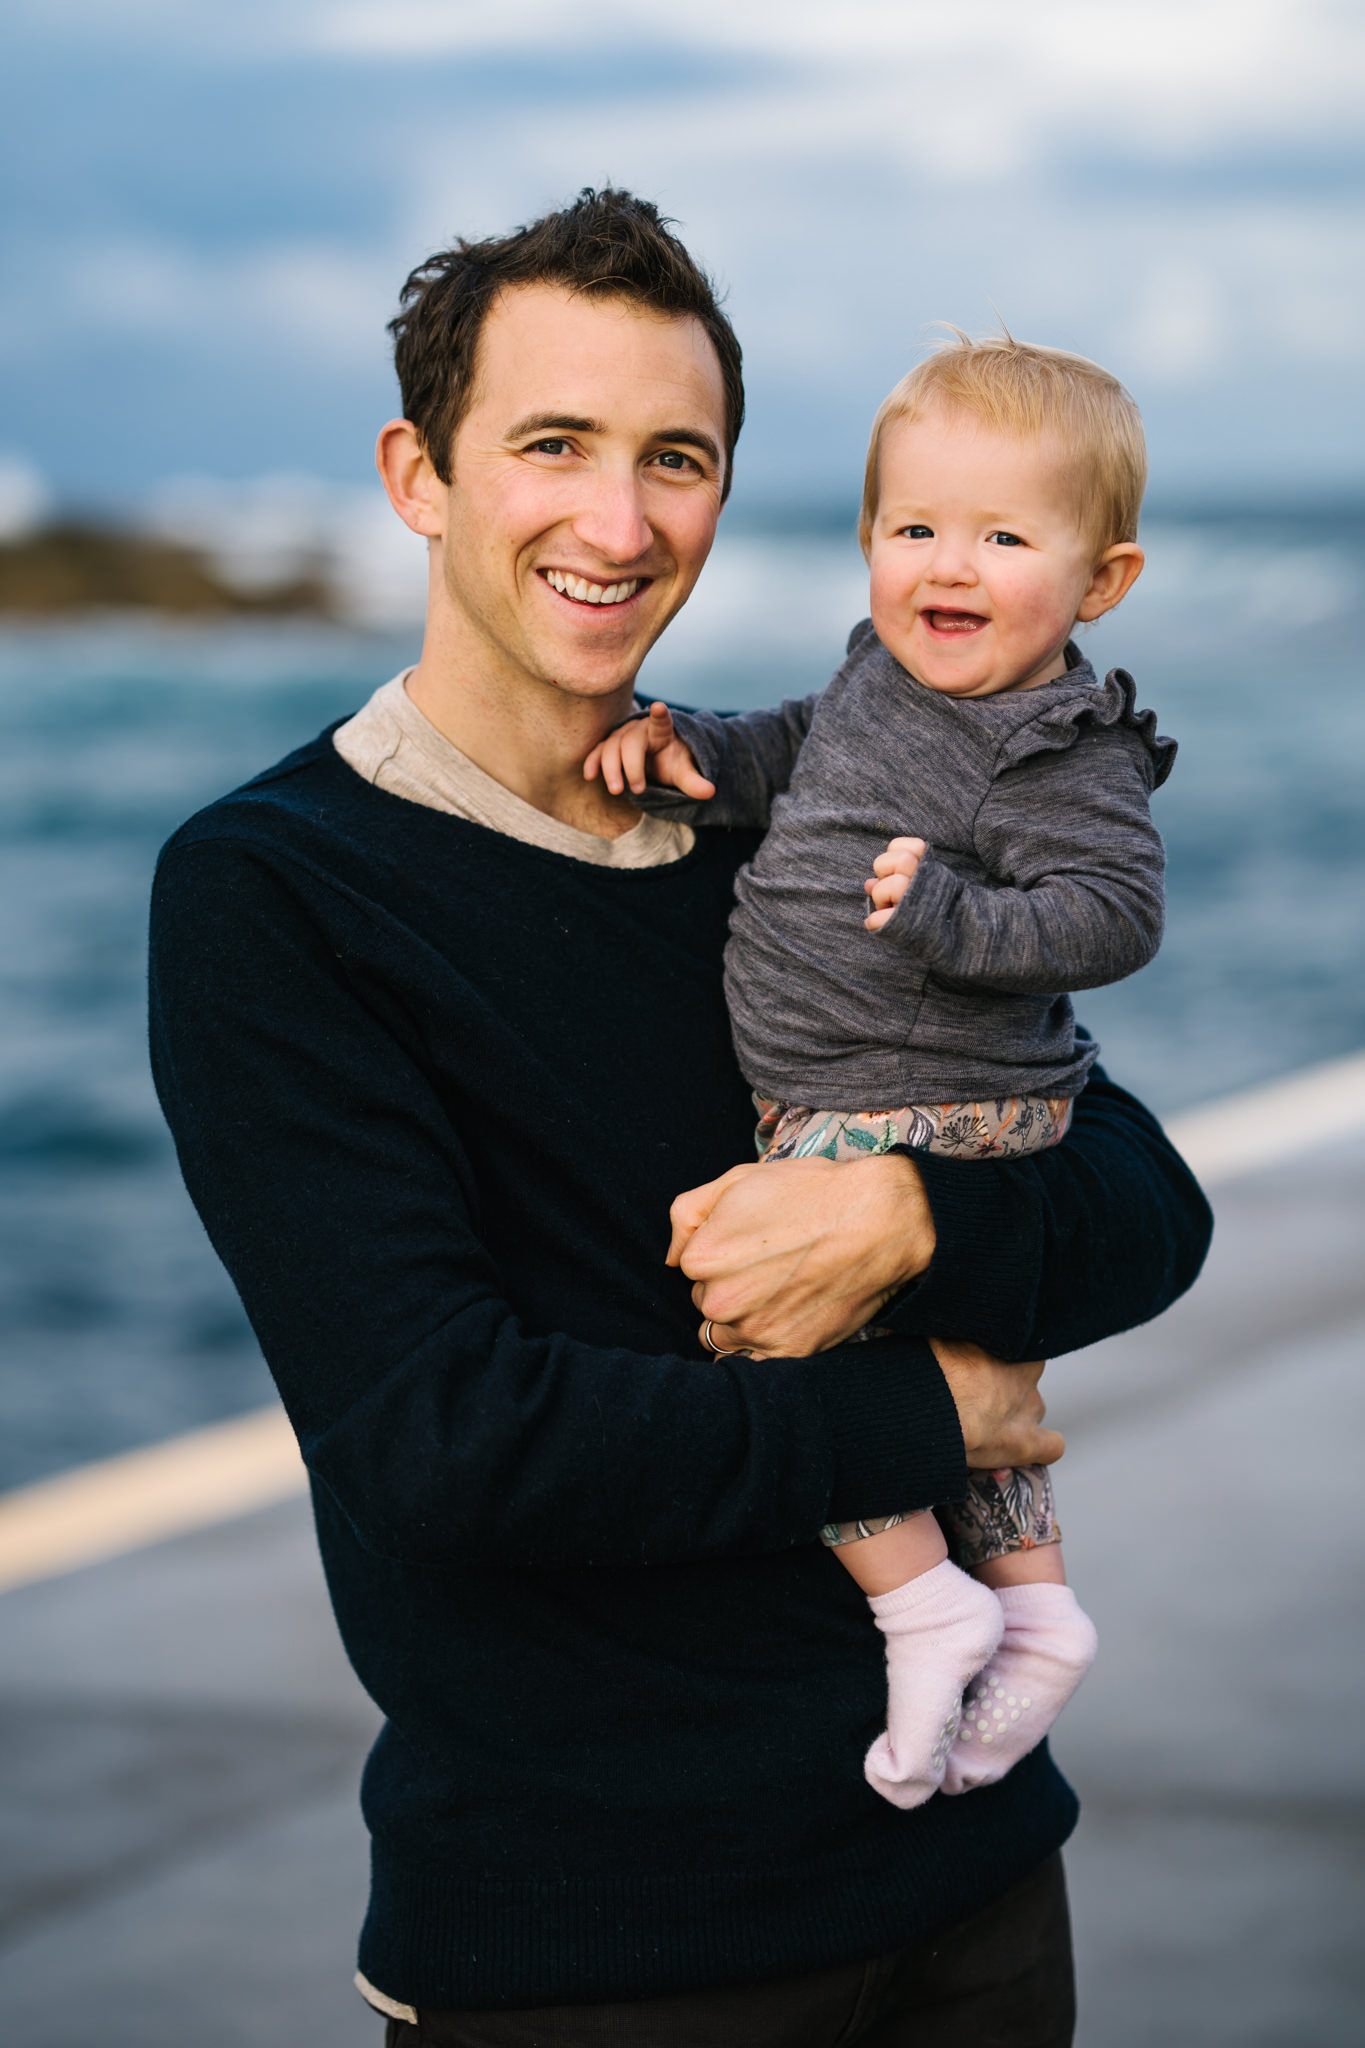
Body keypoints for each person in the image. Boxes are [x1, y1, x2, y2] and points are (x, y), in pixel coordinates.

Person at [148, 189, 1211, 2046]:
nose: (620, 524)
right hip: (597, 1950)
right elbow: (446, 1442)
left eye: (678, 460)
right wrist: (933, 1405)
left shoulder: (792, 815)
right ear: (420, 474)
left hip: (970, 1875)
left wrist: (911, 1226)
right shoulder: (276, 890)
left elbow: (1139, 1195)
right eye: (551, 446)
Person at [587, 332, 1171, 1811]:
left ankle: (926, 1605)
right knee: (959, 1384)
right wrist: (699, 751)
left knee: (770, 1316)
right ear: (865, 544)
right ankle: (1034, 1605)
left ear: (1099, 583)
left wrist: (948, 917)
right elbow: (801, 749)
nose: (945, 566)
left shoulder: (1055, 743)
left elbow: (1114, 915)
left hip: (921, 1090)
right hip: (863, 1089)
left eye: (1000, 534)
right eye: (912, 528)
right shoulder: (878, 676)